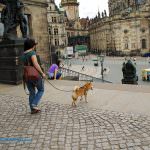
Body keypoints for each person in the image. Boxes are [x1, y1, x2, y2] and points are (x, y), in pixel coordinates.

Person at [22, 38, 46, 114]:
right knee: (41, 90)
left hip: (27, 76)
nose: (35, 46)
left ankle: (33, 109)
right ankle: (34, 104)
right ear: (32, 45)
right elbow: (36, 64)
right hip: (35, 75)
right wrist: (42, 73)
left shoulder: (23, 54)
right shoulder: (32, 53)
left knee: (32, 92)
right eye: (34, 45)